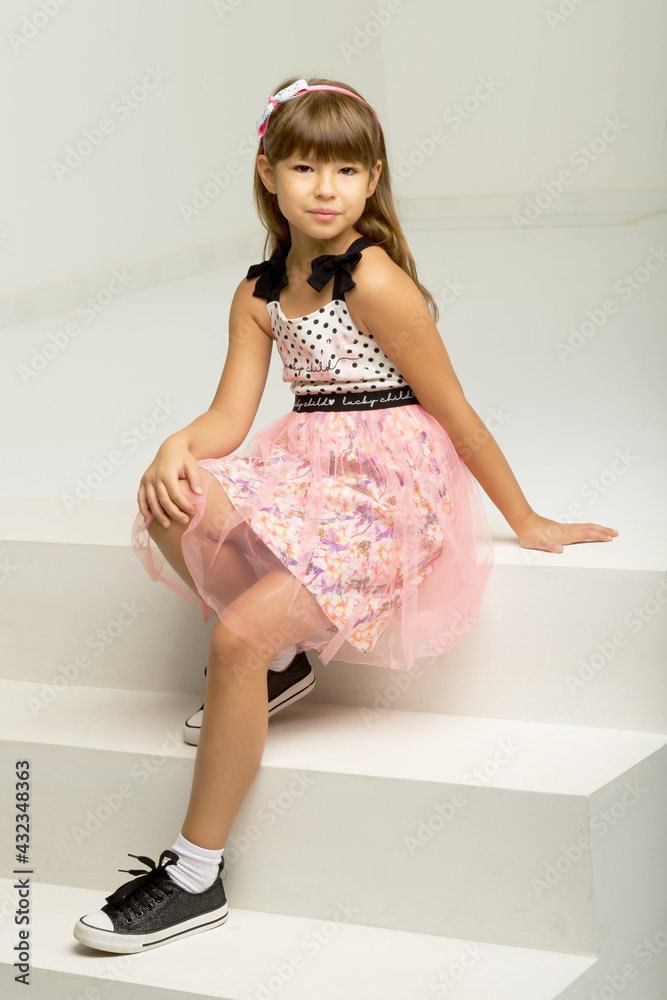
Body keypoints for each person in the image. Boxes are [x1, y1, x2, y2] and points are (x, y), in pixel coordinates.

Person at [73, 76, 618, 954]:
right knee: (169, 497)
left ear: (371, 181)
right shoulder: (257, 291)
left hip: (390, 496)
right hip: (312, 473)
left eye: (345, 170)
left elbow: (458, 415)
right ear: (268, 173)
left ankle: (192, 874)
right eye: (303, 166)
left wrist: (527, 518)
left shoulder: (372, 279)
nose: (324, 189)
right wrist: (174, 444)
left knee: (232, 641)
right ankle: (283, 658)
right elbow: (228, 419)